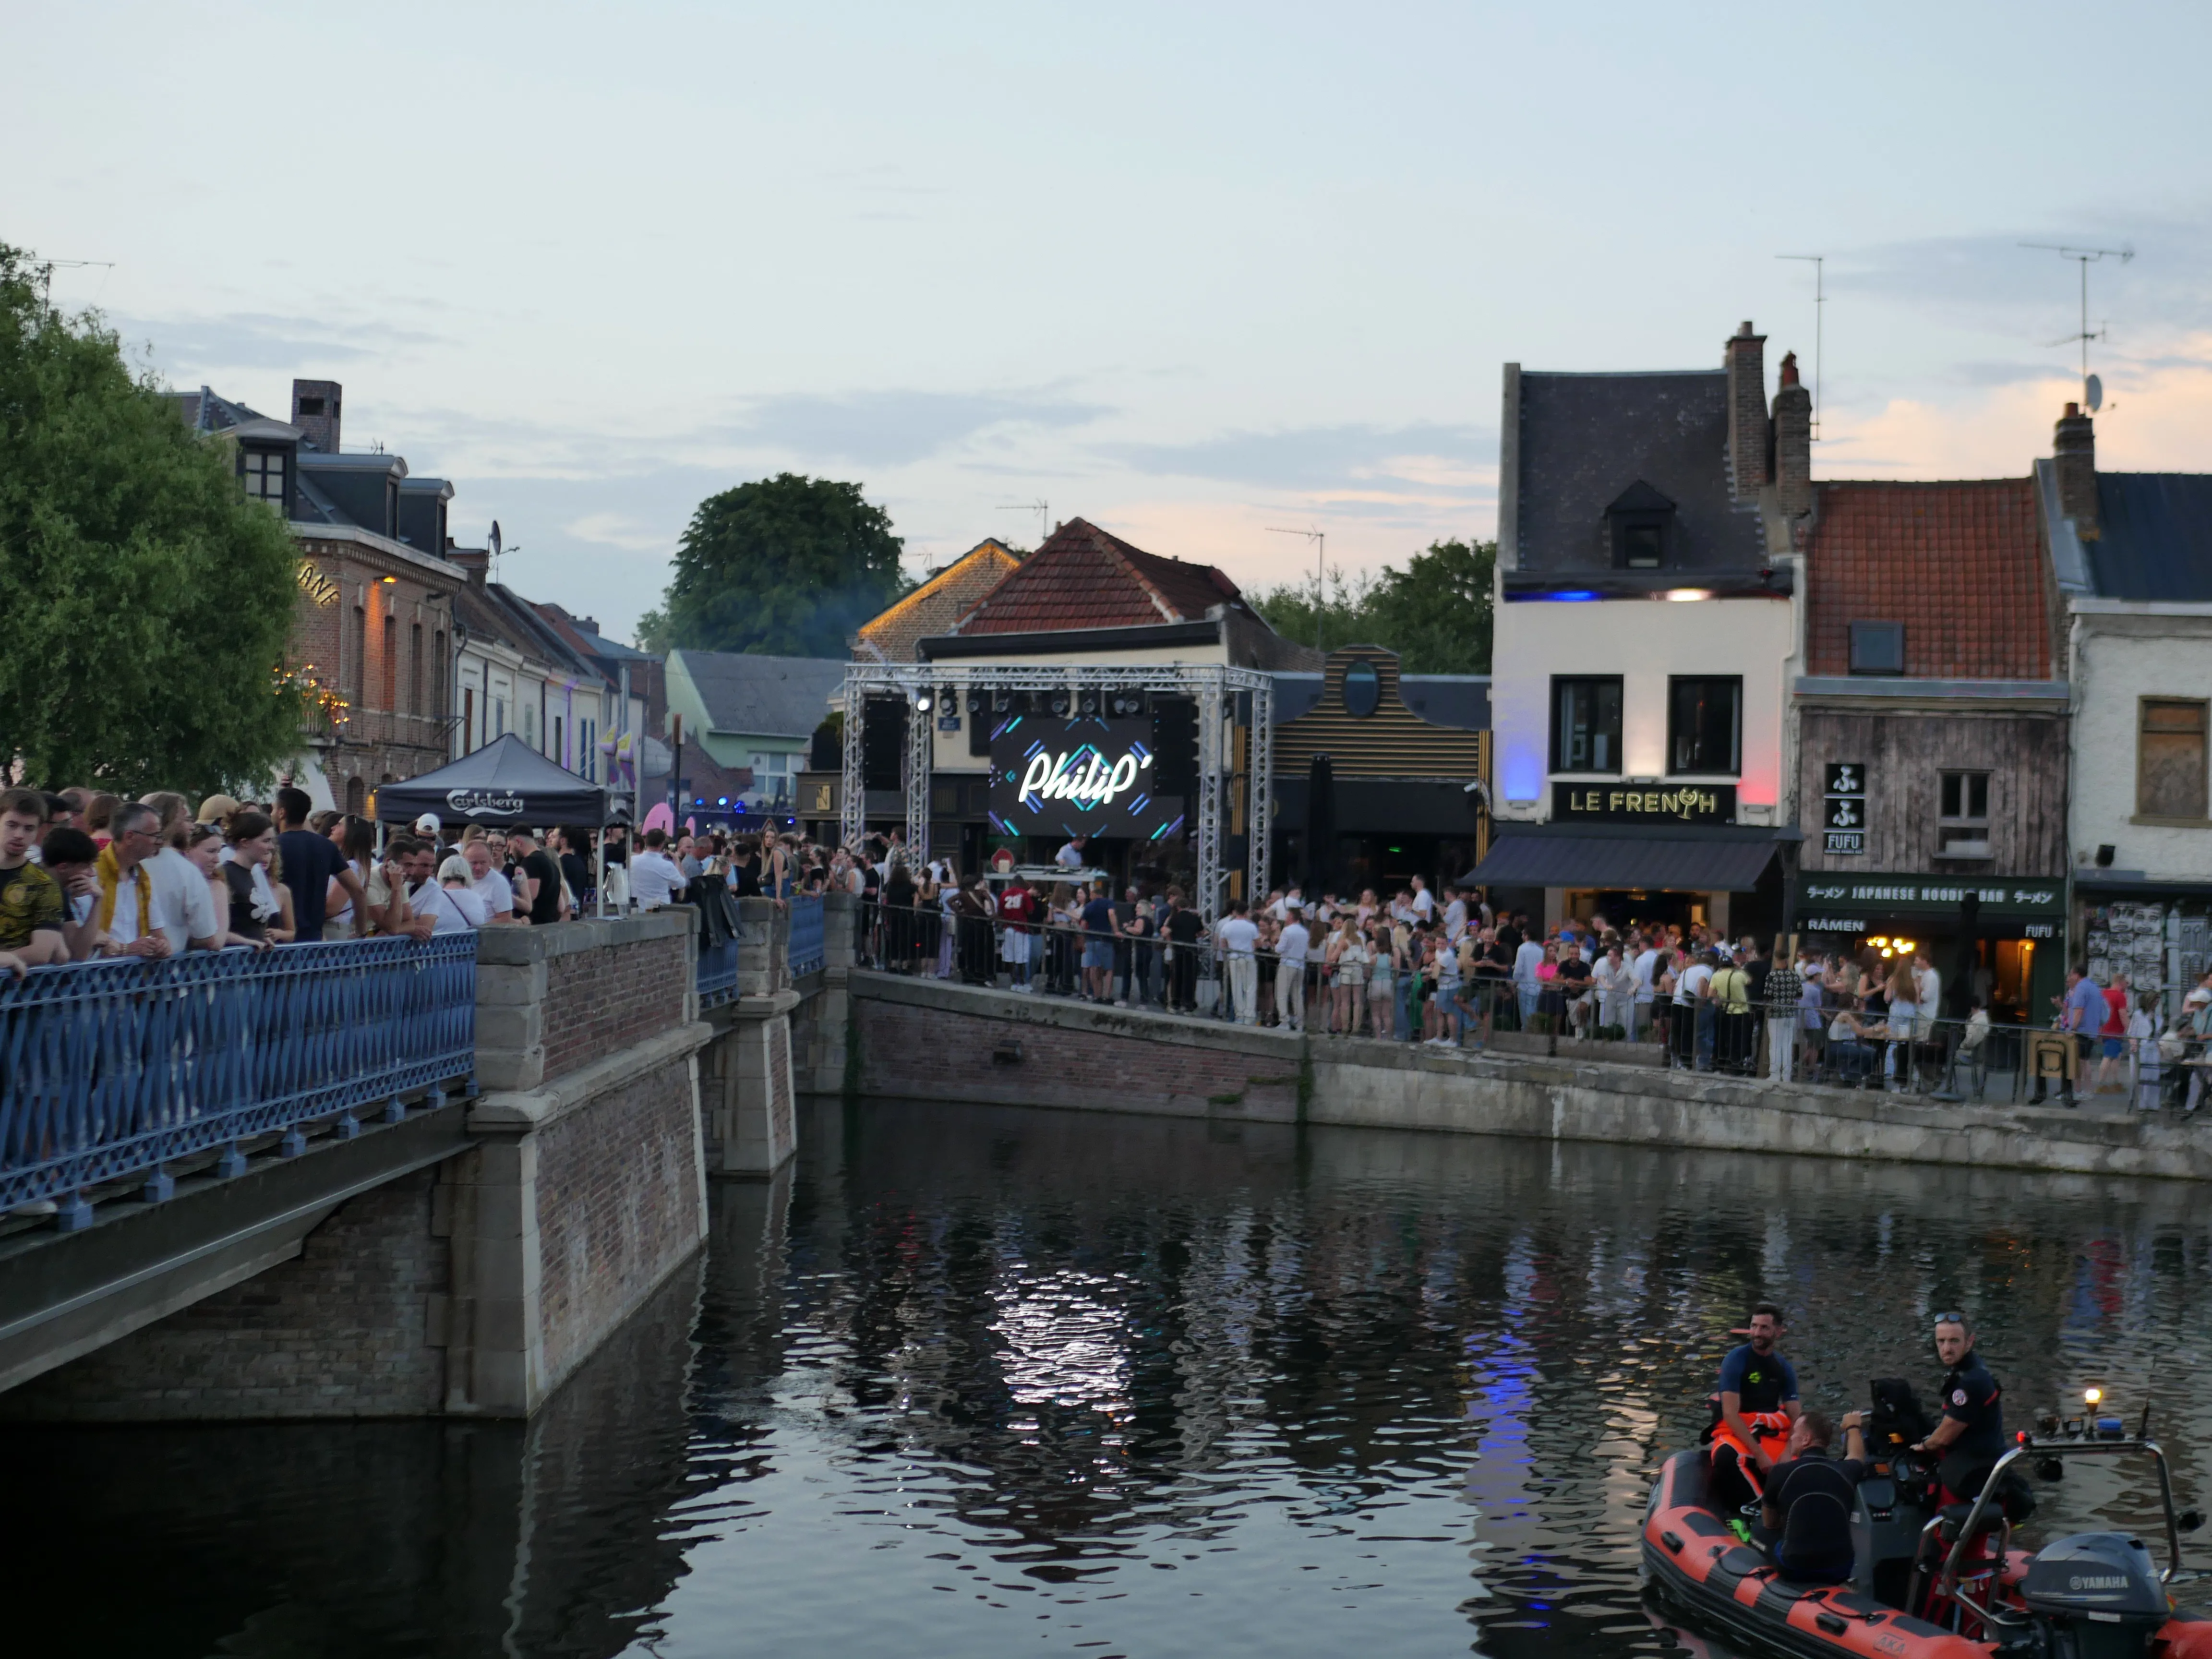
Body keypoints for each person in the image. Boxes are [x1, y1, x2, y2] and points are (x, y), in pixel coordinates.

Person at [1757, 1411, 1870, 1581]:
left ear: (1806, 1439)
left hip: (1794, 1567)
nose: (1792, 1437)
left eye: (1795, 1432)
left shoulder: (1780, 1472)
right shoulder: (1847, 1471)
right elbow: (1857, 1456)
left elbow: (1770, 1524)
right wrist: (1853, 1427)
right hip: (1840, 1568)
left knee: (1758, 1528)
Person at [1711, 1303, 1802, 1510]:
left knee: (1803, 1459)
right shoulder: (1736, 1359)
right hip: (1737, 1429)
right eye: (1754, 1326)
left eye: (1764, 1328)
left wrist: (1788, 1451)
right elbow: (1730, 1414)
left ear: (1778, 1332)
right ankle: (1753, 1511)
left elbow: (1796, 1415)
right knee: (1727, 1457)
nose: (1757, 1333)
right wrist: (1760, 1455)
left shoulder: (1783, 1368)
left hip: (1768, 1431)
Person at [1911, 1312, 2006, 1503]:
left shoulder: (1970, 1382)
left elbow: (1945, 1437)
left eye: (1954, 1341)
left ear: (1970, 1342)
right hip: (1984, 1465)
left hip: (1974, 1473)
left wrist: (1922, 1447)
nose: (1947, 1349)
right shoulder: (1973, 1369)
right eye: (1941, 1341)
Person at [272, 786, 362, 942]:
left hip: (279, 939)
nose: (271, 814)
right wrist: (361, 930)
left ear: (282, 812)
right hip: (314, 940)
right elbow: (357, 890)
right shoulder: (326, 846)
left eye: (273, 809)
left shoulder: (273, 847)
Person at [0, 787, 70, 966]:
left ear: (39, 830)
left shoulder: (44, 885)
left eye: (29, 829)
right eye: (12, 825)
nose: (19, 835)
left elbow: (41, 953)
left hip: (17, 989)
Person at [219, 810, 292, 944]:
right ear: (245, 842)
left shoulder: (252, 874)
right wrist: (247, 942)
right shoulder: (226, 874)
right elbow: (217, 929)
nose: (271, 847)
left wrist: (260, 940)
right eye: (266, 841)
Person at [509, 827, 566, 926]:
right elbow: (561, 907)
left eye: (510, 846)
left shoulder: (530, 862)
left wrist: (507, 896)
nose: (510, 852)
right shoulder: (552, 864)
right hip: (549, 926)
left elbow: (530, 897)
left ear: (518, 842)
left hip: (533, 928)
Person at [1217, 898, 1260, 1025]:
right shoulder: (1251, 926)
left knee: (1236, 987)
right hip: (1248, 957)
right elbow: (1257, 943)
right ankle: (1249, 1015)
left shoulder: (1227, 926)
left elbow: (1223, 944)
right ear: (1246, 912)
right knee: (1250, 987)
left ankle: (1239, 1015)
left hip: (1234, 957)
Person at [1163, 888, 1203, 1014]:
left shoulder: (1174, 918)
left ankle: (1175, 1004)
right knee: (1190, 979)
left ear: (1178, 907)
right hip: (1192, 950)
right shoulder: (1195, 918)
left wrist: (1170, 940)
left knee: (1177, 977)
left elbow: (1165, 931)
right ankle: (1188, 1005)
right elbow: (1203, 932)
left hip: (1178, 950)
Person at [629, 829, 685, 911]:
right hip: (660, 910)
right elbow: (682, 883)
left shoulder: (632, 861)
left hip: (638, 908)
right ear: (662, 844)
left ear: (645, 841)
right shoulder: (667, 865)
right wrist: (677, 860)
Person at [1079, 879, 1116, 1001]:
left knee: (1094, 968)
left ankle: (1097, 995)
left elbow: (1083, 925)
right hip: (1105, 940)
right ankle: (1106, 996)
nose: (1090, 896)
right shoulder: (1109, 903)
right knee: (1108, 969)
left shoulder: (1089, 906)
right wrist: (1116, 931)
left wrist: (1083, 940)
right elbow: (1111, 915)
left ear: (1094, 893)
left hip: (1091, 941)